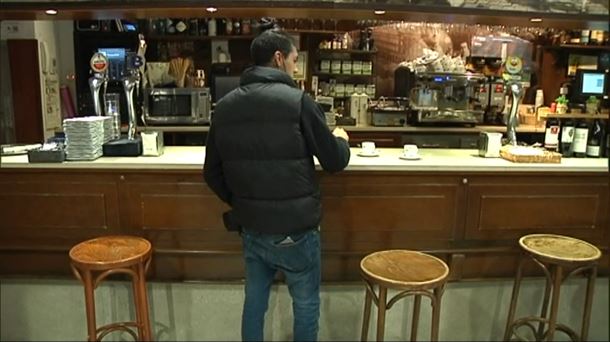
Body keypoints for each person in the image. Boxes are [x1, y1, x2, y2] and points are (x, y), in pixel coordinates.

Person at [203, 19, 350, 342]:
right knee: (306, 304)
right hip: (296, 230)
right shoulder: (298, 102)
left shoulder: (224, 108)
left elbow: (211, 173)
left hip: (253, 227)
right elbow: (334, 161)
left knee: (254, 304)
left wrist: (242, 201)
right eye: (295, 60)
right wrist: (341, 138)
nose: (296, 68)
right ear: (279, 59)